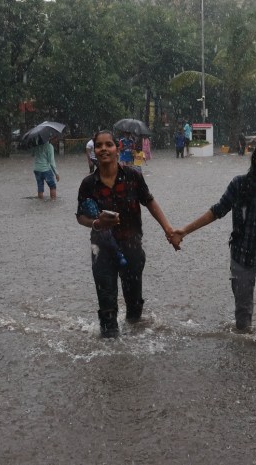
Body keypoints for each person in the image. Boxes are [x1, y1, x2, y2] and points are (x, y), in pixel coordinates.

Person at [170, 138, 256, 336]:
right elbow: (217, 211)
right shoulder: (239, 184)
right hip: (242, 258)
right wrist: (185, 231)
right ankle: (243, 354)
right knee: (243, 314)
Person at [76, 130, 177, 338]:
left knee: (134, 307)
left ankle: (132, 354)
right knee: (107, 307)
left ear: (117, 148)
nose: (104, 149)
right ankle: (111, 356)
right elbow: (80, 217)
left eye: (109, 145)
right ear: (94, 150)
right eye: (99, 145)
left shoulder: (133, 176)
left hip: (132, 246)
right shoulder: (88, 184)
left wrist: (168, 229)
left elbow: (149, 201)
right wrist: (97, 223)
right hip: (102, 250)